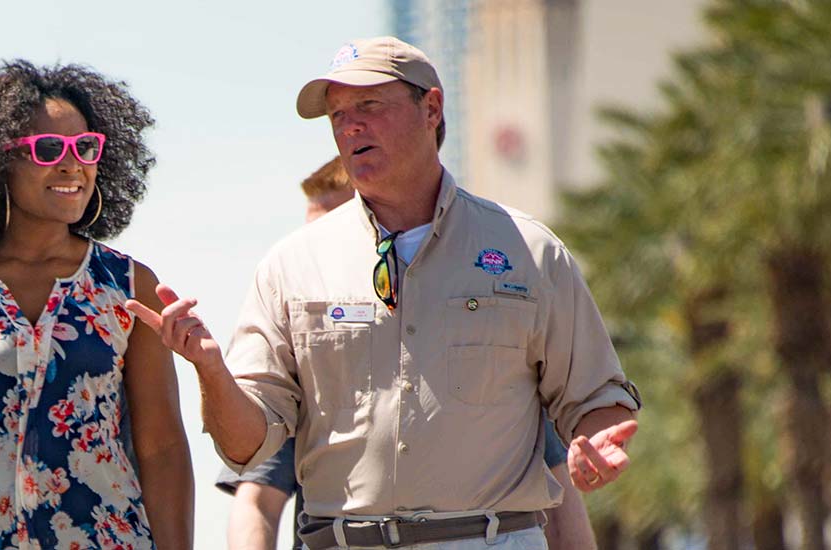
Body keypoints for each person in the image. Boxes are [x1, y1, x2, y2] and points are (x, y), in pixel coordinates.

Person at [132, 37, 642, 549]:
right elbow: (246, 447)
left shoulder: (530, 252)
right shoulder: (290, 266)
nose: (349, 126)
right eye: (337, 115)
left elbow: (597, 396)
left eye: (368, 106)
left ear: (432, 108)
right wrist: (212, 372)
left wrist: (598, 440)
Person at [0, 60, 194, 550]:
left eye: (84, 147)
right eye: (48, 149)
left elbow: (162, 448)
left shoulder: (129, 285)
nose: (72, 165)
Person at [219, 160, 594, 550]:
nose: (325, 258)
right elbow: (257, 502)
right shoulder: (309, 353)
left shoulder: (487, 342)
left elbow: (562, 495)